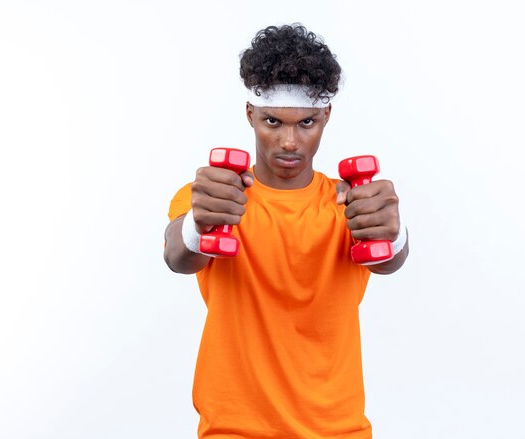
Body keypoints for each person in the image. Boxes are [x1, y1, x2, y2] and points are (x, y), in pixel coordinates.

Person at [164, 23, 409, 438]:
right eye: (273, 121)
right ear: (250, 114)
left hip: (337, 429)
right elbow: (177, 256)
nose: (290, 142)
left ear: (326, 116)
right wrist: (195, 225)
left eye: (307, 123)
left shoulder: (350, 203)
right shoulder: (213, 198)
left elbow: (391, 261)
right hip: (233, 429)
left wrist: (395, 232)